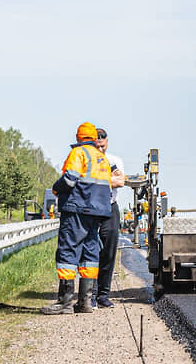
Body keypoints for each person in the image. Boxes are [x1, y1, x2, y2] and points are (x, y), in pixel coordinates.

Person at [42, 122, 112, 314]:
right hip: (97, 213)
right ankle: (85, 302)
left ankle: (64, 302)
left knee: (68, 252)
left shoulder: (79, 153)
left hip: (77, 210)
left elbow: (69, 179)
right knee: (89, 254)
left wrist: (56, 188)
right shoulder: (102, 158)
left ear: (79, 137)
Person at [93, 127, 125, 308]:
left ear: (107, 143)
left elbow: (119, 182)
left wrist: (96, 179)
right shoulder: (87, 160)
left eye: (102, 146)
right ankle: (91, 293)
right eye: (97, 146)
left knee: (109, 252)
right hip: (91, 209)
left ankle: (103, 294)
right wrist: (107, 178)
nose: (100, 150)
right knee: (91, 252)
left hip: (110, 208)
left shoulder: (115, 160)